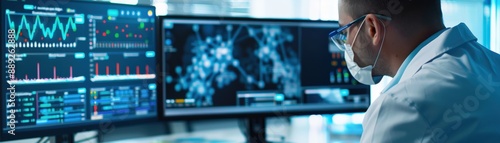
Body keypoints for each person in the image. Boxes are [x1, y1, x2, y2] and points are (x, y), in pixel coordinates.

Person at [329, 0, 500, 142]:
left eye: (345, 32)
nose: (346, 44)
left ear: (372, 28)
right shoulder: (494, 63)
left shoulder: (398, 106)